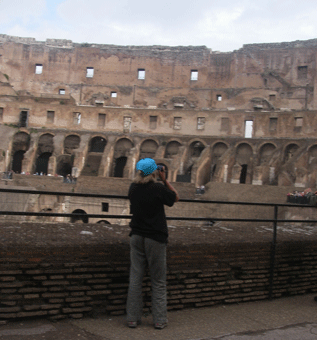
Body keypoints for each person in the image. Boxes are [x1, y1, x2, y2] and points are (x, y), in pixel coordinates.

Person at [126, 158, 179, 330]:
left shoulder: (133, 188)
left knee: (135, 279)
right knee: (158, 281)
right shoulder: (157, 188)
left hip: (136, 236)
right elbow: (175, 197)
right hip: (155, 238)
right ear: (154, 172)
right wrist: (164, 179)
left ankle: (132, 319)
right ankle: (159, 320)